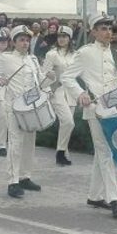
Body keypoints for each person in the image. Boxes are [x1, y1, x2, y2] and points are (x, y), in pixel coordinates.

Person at [62, 14, 117, 218]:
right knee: (105, 151)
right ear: (93, 31)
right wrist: (80, 93)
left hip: (114, 109)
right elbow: (66, 77)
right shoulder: (85, 53)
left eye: (110, 28)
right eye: (103, 28)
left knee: (104, 152)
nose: (108, 32)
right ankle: (114, 198)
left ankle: (95, 195)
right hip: (95, 109)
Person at [0, 24, 43, 198]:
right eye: (21, 40)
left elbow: (39, 81)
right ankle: (13, 181)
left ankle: (25, 176)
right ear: (14, 42)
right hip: (13, 106)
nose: (25, 43)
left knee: (29, 143)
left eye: (27, 40)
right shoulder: (6, 58)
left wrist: (48, 81)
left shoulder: (33, 60)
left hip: (31, 107)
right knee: (15, 143)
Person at [40, 25, 77, 166]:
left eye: (64, 36)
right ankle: (60, 152)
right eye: (59, 36)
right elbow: (43, 75)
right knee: (68, 121)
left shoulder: (75, 54)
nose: (61, 39)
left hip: (72, 92)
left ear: (70, 38)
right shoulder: (52, 54)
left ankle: (64, 153)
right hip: (57, 91)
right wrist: (49, 86)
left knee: (66, 124)